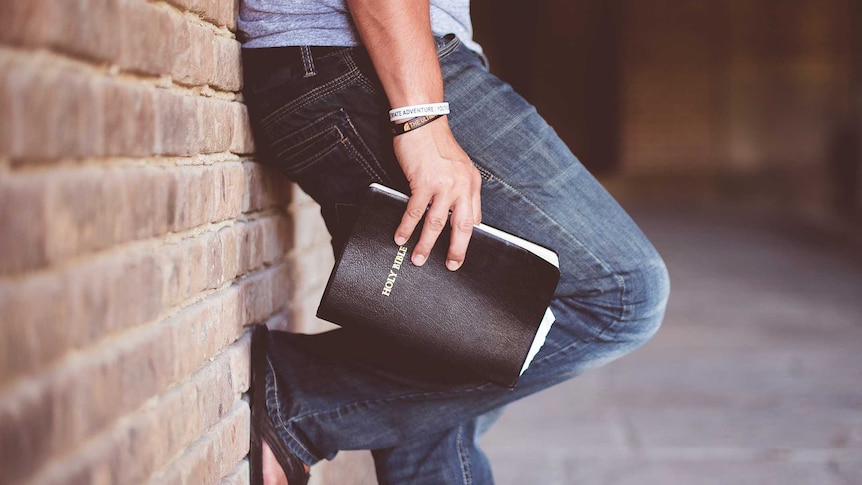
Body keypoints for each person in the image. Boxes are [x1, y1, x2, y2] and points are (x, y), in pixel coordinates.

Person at [238, 1, 670, 484]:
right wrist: (420, 118)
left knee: (443, 364)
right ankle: (304, 396)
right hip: (361, 65)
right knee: (619, 294)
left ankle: (306, 400)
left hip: (356, 64)